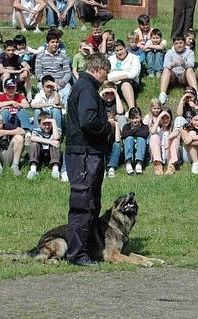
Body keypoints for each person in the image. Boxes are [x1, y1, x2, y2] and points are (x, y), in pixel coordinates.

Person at [65, 53, 113, 266]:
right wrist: (107, 129)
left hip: (86, 154)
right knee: (83, 205)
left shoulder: (85, 87)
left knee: (91, 203)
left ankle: (88, 249)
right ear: (98, 68)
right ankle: (77, 254)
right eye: (106, 72)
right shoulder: (86, 88)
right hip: (84, 155)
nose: (106, 78)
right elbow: (88, 120)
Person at [35, 30, 72, 105]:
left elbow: (68, 73)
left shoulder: (63, 56)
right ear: (47, 43)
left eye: (57, 42)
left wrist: (63, 82)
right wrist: (47, 82)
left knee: (68, 92)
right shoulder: (40, 56)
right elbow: (38, 73)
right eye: (52, 42)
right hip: (46, 83)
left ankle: (64, 110)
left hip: (60, 83)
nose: (55, 44)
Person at [159, 35, 196, 105]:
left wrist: (184, 63)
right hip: (173, 76)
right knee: (166, 70)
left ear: (185, 43)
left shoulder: (190, 52)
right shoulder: (169, 52)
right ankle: (162, 94)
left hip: (184, 76)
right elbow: (165, 66)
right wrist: (173, 64)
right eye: (176, 43)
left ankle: (195, 93)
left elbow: (191, 64)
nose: (179, 45)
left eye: (181, 43)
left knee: (190, 69)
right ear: (173, 44)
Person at [107, 40, 141, 109]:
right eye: (117, 51)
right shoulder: (111, 59)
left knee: (125, 84)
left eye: (121, 49)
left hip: (130, 82)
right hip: (113, 82)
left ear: (125, 48)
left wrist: (119, 78)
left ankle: (132, 109)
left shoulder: (133, 58)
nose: (119, 52)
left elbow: (134, 73)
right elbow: (106, 72)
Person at [27, 112, 61, 180]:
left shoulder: (55, 130)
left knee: (55, 142)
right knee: (34, 143)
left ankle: (55, 169)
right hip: (39, 155)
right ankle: (33, 169)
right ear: (39, 124)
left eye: (49, 123)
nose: (47, 126)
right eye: (44, 124)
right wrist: (50, 142)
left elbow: (56, 137)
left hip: (51, 155)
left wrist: (53, 121)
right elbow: (33, 138)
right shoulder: (37, 130)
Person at [150, 107, 179, 176]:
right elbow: (152, 131)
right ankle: (158, 165)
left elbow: (177, 132)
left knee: (174, 139)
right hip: (159, 154)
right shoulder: (157, 128)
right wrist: (159, 116)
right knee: (154, 136)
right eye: (163, 118)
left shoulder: (173, 128)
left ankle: (171, 165)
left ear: (171, 118)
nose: (165, 120)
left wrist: (168, 138)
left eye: (167, 118)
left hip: (169, 154)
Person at [121, 107, 149, 175]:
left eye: (136, 118)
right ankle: (128, 163)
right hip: (129, 151)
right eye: (132, 118)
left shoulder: (144, 127)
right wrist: (136, 131)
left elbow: (145, 133)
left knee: (141, 138)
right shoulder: (126, 126)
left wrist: (132, 131)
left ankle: (139, 163)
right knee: (129, 138)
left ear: (141, 117)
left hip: (140, 152)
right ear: (129, 119)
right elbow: (124, 134)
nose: (134, 120)